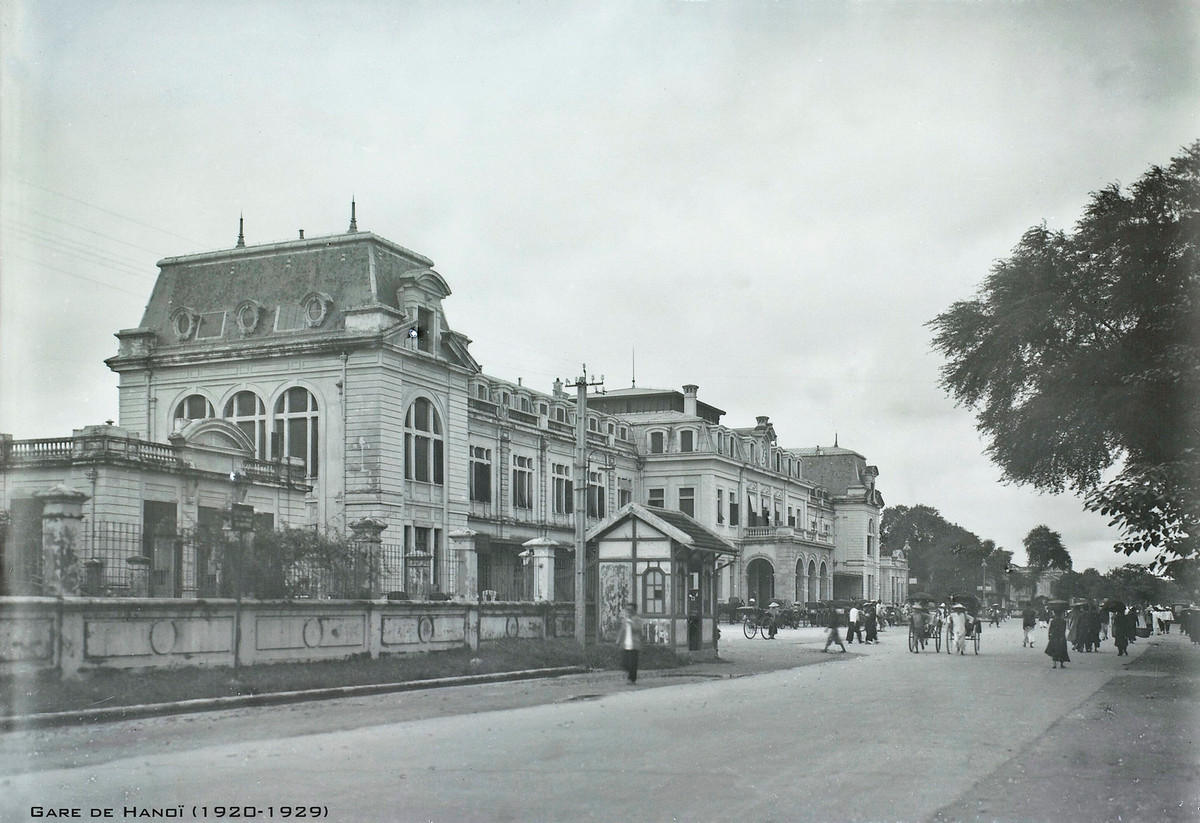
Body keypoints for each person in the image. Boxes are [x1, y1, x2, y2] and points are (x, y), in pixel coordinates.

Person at [617, 603, 645, 684]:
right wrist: (618, 640)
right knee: (625, 663)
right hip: (625, 643)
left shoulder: (638, 620)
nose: (628, 611)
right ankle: (630, 675)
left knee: (633, 663)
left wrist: (630, 622)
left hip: (634, 644)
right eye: (627, 610)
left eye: (630, 610)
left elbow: (638, 629)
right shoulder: (625, 620)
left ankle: (632, 679)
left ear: (634, 611)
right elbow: (622, 631)